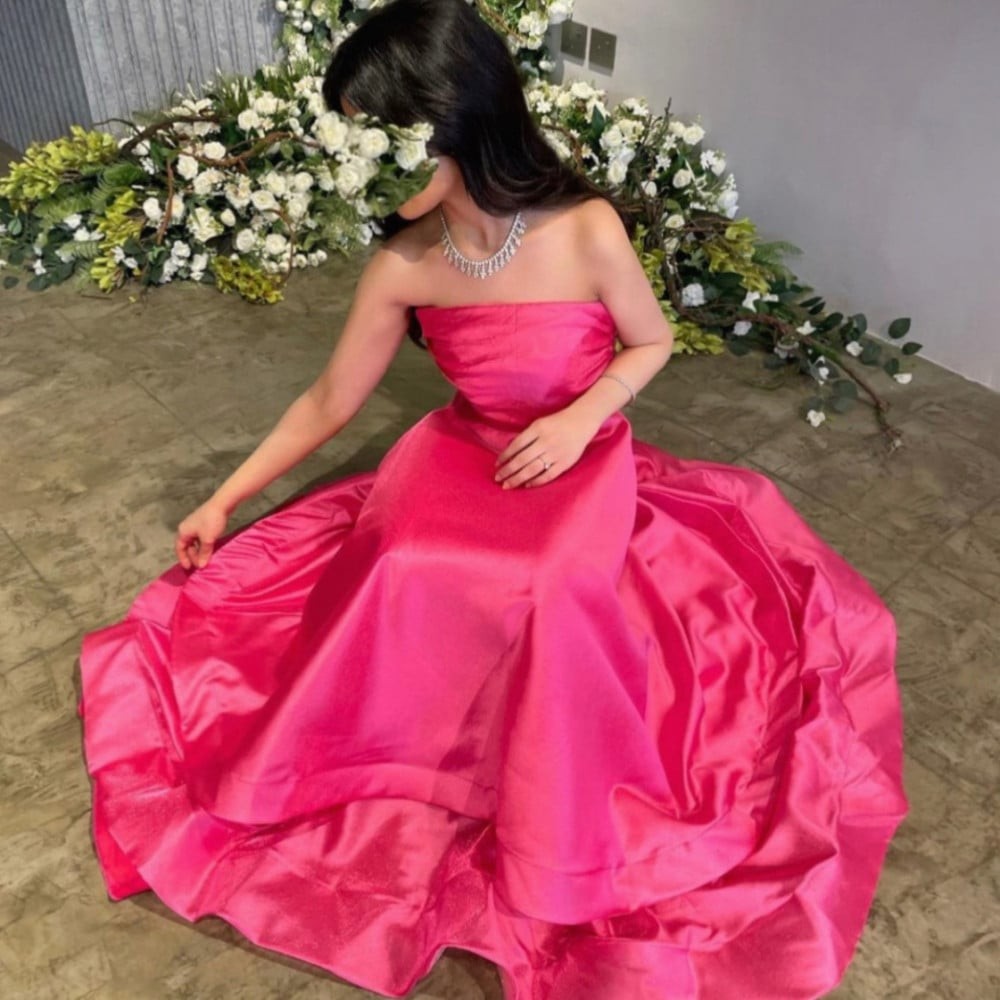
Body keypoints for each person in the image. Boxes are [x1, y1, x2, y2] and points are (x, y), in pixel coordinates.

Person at [76, 0, 909, 997]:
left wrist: (582, 418)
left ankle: (539, 795)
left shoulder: (585, 228)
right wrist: (223, 500)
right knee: (399, 559)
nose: (365, 167)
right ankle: (411, 757)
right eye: (355, 140)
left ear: (454, 119)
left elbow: (650, 341)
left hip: (576, 451)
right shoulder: (404, 261)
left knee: (549, 582)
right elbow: (331, 399)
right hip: (462, 448)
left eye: (382, 137)